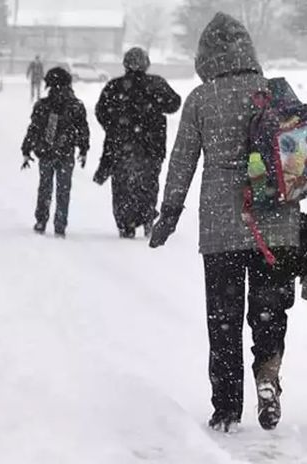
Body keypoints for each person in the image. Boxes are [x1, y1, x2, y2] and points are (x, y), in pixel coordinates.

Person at [149, 13, 299, 433]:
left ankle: (227, 408)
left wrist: (168, 215)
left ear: (205, 56)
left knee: (224, 320)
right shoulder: (274, 94)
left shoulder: (201, 98)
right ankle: (267, 375)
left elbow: (181, 164)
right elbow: (297, 162)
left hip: (222, 229)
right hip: (277, 226)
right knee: (269, 312)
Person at [95, 47, 182, 239]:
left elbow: (101, 111)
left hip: (121, 147)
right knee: (148, 184)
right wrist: (155, 104)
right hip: (152, 146)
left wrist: (115, 127)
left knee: (122, 187)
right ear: (146, 64)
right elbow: (174, 103)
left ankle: (126, 223)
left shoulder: (115, 86)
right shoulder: (156, 84)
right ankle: (147, 217)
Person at [21, 68, 90, 237]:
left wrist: (27, 148)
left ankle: (41, 220)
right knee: (63, 189)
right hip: (66, 152)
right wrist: (83, 149)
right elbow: (83, 129)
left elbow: (34, 129)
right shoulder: (76, 106)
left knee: (45, 187)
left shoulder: (43, 105)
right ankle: (60, 223)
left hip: (46, 151)